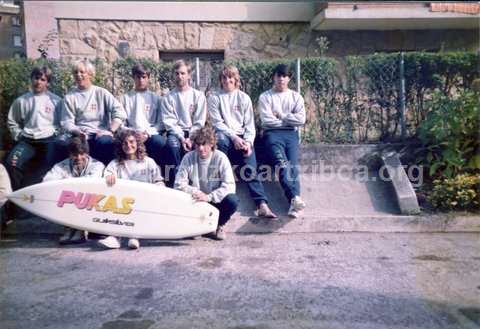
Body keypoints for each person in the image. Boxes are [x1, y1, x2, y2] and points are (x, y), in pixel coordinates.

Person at [208, 65, 277, 219]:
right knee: (221, 140)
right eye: (224, 77)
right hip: (226, 136)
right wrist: (235, 138)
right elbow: (218, 123)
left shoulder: (244, 98)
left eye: (230, 77)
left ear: (236, 79)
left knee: (250, 167)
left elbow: (249, 124)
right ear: (220, 80)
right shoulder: (214, 98)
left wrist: (248, 143)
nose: (227, 80)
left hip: (242, 138)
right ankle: (220, 185)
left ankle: (262, 205)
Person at [99, 129, 164, 249]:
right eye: (124, 143)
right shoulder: (115, 164)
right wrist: (109, 176)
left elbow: (158, 180)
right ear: (120, 146)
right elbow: (107, 175)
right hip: (122, 204)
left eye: (131, 141)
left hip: (143, 204)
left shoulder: (148, 162)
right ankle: (114, 237)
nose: (128, 145)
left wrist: (159, 187)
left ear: (138, 143)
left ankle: (134, 236)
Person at [258, 64, 307, 218]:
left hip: (291, 135)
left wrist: (281, 115)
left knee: (293, 167)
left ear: (289, 78)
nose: (281, 79)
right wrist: (289, 119)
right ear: (274, 77)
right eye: (278, 75)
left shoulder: (296, 97)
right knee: (282, 165)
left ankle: (294, 205)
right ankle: (295, 198)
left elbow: (301, 119)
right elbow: (267, 121)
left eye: (284, 76)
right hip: (272, 135)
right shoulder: (265, 97)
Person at [5, 66, 63, 191]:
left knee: (47, 165)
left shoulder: (56, 101)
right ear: (31, 79)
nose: (38, 82)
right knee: (12, 163)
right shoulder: (21, 101)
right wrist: (18, 134)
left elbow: (63, 122)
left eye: (43, 79)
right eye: (36, 78)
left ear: (48, 83)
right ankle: (18, 196)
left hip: (48, 140)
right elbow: (12, 121)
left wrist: (55, 132)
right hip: (27, 141)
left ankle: (39, 197)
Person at [174, 126, 238, 240]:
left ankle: (218, 225)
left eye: (204, 144)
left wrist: (209, 197)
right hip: (196, 200)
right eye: (198, 144)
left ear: (212, 144)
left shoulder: (221, 158)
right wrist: (195, 192)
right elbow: (178, 184)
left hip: (214, 201)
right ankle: (196, 227)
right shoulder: (188, 158)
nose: (201, 148)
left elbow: (229, 186)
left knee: (232, 200)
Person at [61, 59, 126, 166]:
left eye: (82, 72)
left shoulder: (101, 93)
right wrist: (77, 131)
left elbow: (119, 112)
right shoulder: (70, 97)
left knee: (105, 142)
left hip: (101, 133)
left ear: (90, 74)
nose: (78, 75)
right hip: (81, 133)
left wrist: (110, 131)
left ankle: (107, 173)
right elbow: (66, 122)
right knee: (66, 144)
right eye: (76, 72)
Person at [43, 134, 105, 244]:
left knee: (84, 193)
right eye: (74, 154)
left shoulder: (97, 165)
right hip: (68, 200)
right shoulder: (61, 165)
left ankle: (81, 229)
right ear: (69, 154)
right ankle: (69, 228)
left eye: (82, 154)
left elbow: (90, 183)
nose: (78, 158)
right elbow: (47, 181)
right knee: (63, 194)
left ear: (87, 153)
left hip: (89, 203)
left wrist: (65, 183)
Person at [161, 59, 207, 186]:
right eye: (177, 73)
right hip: (176, 133)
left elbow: (199, 121)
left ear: (189, 75)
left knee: (202, 145)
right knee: (172, 145)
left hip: (195, 132)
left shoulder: (198, 96)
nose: (180, 76)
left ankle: (198, 182)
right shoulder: (168, 97)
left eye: (182, 73)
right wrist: (182, 138)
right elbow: (169, 122)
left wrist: (191, 138)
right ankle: (178, 182)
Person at [119, 63, 166, 168]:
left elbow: (161, 123)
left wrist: (147, 133)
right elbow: (122, 123)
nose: (141, 80)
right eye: (138, 77)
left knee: (159, 142)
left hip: (150, 135)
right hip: (131, 134)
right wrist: (133, 133)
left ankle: (161, 176)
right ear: (133, 78)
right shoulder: (125, 98)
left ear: (148, 78)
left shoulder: (157, 99)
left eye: (144, 77)